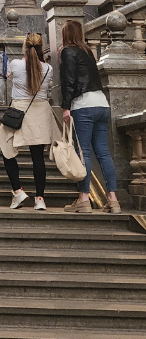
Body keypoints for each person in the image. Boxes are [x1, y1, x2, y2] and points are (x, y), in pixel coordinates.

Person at [60, 19, 120, 214]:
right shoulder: (88, 52)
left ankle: (84, 198)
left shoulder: (68, 51)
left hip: (83, 105)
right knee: (103, 152)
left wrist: (66, 106)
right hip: (102, 103)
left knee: (83, 153)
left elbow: (68, 80)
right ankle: (113, 199)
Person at [0, 33, 60, 212]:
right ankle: (40, 198)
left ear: (25, 47)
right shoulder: (48, 68)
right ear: (42, 48)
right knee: (38, 157)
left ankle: (18, 190)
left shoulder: (16, 64)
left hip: (19, 111)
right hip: (40, 111)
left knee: (6, 147)